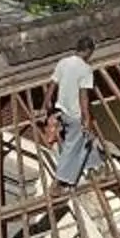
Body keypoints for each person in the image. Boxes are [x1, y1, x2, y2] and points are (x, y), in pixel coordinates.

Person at [51, 34, 100, 188]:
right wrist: (86, 118)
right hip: (75, 114)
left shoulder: (63, 62)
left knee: (86, 138)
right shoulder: (85, 69)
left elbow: (53, 84)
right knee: (72, 147)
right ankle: (58, 182)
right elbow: (83, 95)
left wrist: (46, 105)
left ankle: (94, 167)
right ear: (88, 50)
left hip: (64, 111)